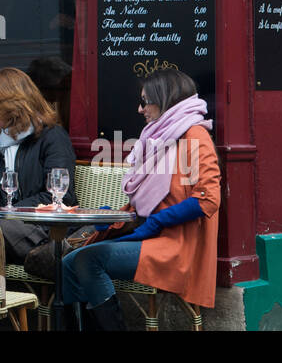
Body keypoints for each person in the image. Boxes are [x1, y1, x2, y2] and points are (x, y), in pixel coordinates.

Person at [56, 69, 220, 331]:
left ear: (164, 99)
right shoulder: (160, 136)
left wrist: (157, 221)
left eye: (144, 101)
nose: (139, 109)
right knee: (67, 262)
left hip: (176, 246)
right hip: (151, 237)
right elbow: (146, 203)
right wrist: (111, 219)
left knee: (88, 260)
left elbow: (208, 199)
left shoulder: (193, 136)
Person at [0, 67, 78, 264]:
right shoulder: (3, 140)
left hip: (44, 228)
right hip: (10, 223)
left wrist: (9, 210)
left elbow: (60, 196)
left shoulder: (52, 137)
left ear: (13, 103)